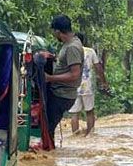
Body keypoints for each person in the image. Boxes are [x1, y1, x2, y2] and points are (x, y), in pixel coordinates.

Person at [43, 14, 83, 144]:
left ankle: (49, 154)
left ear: (58, 31)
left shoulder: (72, 47)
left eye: (54, 32)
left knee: (47, 129)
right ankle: (50, 156)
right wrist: (53, 58)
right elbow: (66, 64)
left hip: (62, 95)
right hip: (61, 93)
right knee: (48, 128)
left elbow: (74, 74)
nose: (54, 35)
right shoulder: (70, 44)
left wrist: (50, 78)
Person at [69, 32, 109, 136]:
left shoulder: (70, 51)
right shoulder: (90, 51)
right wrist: (104, 82)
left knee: (74, 113)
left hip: (73, 87)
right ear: (84, 41)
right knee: (89, 111)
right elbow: (98, 68)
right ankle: (90, 135)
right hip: (87, 87)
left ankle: (75, 136)